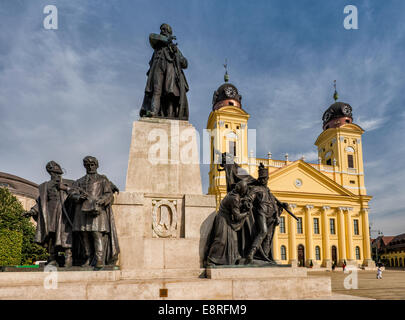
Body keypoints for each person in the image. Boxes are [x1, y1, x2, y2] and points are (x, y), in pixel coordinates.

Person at [69, 156, 120, 268]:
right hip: (82, 212)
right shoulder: (79, 181)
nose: (90, 167)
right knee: (84, 236)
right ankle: (87, 258)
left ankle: (99, 259)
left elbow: (108, 194)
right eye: (88, 165)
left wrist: (100, 201)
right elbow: (72, 193)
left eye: (92, 165)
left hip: (97, 212)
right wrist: (78, 197)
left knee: (96, 235)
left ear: (96, 165)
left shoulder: (102, 180)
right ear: (85, 166)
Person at [25, 161, 73, 267]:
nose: (56, 172)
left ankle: (68, 257)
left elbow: (77, 192)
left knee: (65, 234)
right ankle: (52, 258)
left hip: (63, 210)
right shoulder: (45, 186)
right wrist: (32, 211)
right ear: (50, 171)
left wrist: (66, 188)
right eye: (53, 170)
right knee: (50, 235)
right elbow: (41, 201)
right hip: (49, 212)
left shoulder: (69, 182)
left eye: (57, 168)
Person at [139, 23, 189, 120]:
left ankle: (170, 114)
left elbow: (185, 63)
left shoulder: (174, 47)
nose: (163, 31)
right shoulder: (157, 43)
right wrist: (167, 40)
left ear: (169, 32)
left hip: (170, 70)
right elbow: (151, 36)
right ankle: (154, 111)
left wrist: (175, 53)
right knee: (156, 90)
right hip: (157, 68)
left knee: (170, 92)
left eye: (165, 30)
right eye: (162, 29)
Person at [244, 163, 287, 264]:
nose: (264, 180)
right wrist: (247, 202)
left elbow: (274, 204)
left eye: (265, 179)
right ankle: (251, 253)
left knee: (268, 236)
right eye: (262, 179)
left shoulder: (269, 192)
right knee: (263, 231)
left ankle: (265, 257)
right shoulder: (257, 189)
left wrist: (282, 207)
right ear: (259, 179)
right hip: (261, 213)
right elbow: (249, 197)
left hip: (271, 216)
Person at [206, 180, 251, 266]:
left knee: (233, 239)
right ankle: (211, 260)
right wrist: (246, 213)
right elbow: (237, 216)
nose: (245, 191)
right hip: (223, 219)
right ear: (242, 190)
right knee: (221, 240)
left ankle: (235, 258)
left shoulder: (233, 194)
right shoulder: (234, 198)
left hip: (226, 218)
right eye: (245, 189)